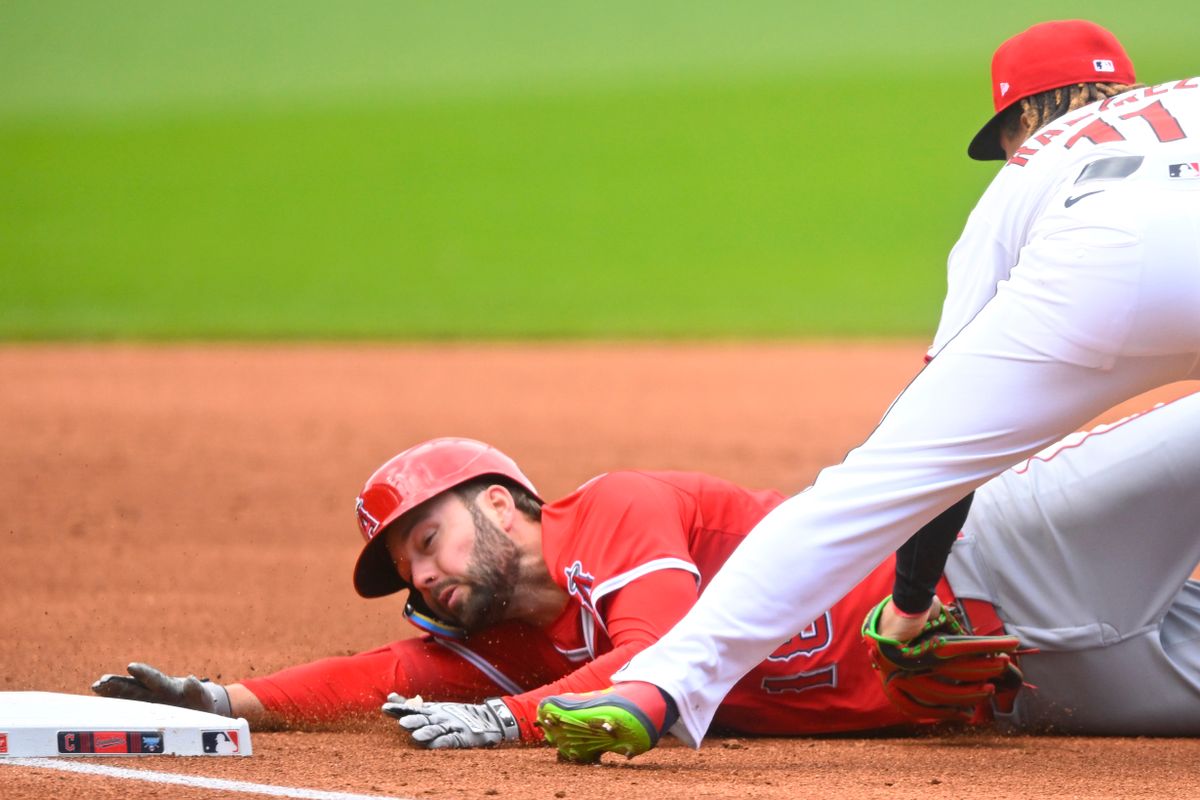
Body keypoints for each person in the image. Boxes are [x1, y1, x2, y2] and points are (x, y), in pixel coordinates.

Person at [536, 18, 1200, 760]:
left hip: (1093, 272)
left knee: (873, 484)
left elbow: (939, 467)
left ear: (1028, 114)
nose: (1008, 148)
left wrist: (912, 607)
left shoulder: (1028, 168)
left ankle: (658, 686)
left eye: (1006, 132)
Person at [95, 394, 1200, 752]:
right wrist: (231, 701)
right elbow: (374, 671)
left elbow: (660, 654)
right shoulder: (502, 641)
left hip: (993, 550)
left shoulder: (616, 510)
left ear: (497, 501)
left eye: (426, 543)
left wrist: (515, 721)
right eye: (405, 571)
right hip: (1034, 694)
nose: (424, 579)